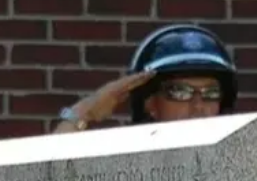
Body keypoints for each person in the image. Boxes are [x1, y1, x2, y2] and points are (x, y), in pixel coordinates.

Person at [54, 24, 237, 133]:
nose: (198, 106)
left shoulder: (239, 164)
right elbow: (52, 178)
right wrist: (85, 111)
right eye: (180, 92)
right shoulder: (126, 165)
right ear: (150, 103)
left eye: (211, 93)